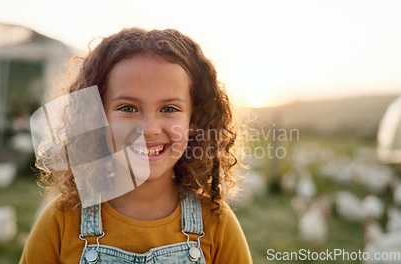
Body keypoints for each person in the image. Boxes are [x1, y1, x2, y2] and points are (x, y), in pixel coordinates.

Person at [20, 27, 253, 264]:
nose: (149, 128)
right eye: (128, 108)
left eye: (169, 109)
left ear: (194, 121)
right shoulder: (62, 221)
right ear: (96, 117)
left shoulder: (216, 224)